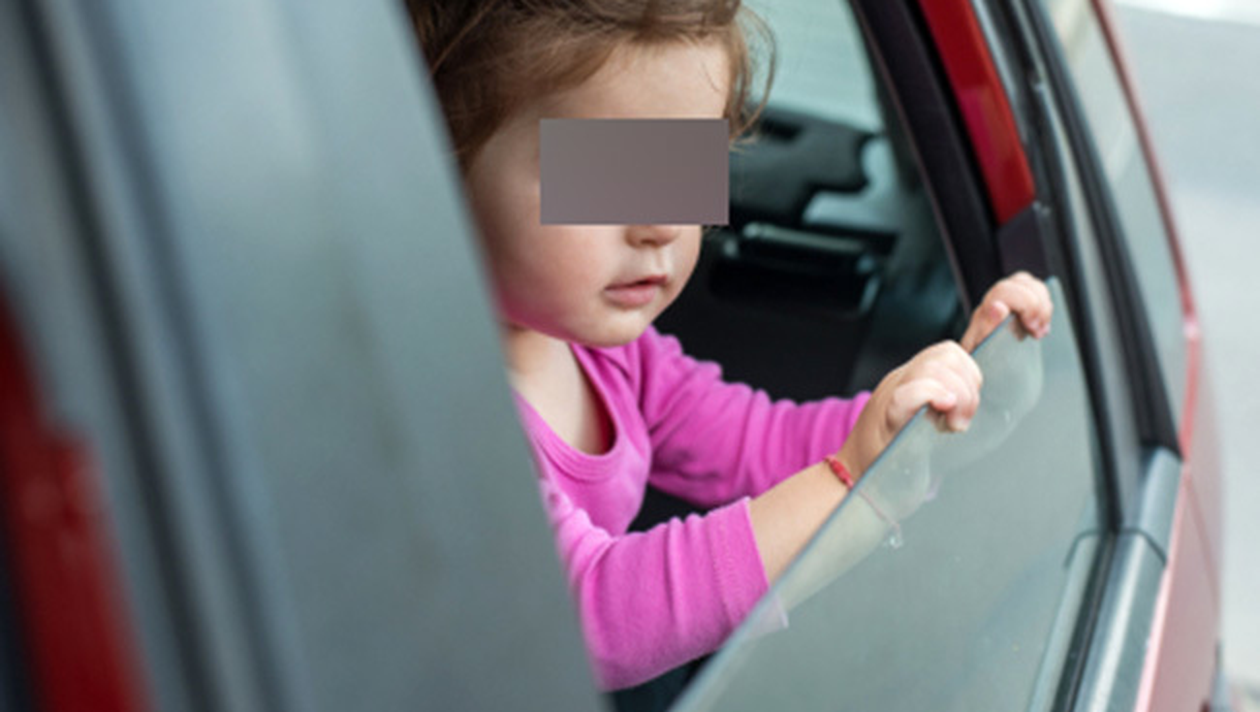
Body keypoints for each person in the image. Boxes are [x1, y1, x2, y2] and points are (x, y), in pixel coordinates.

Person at [406, 0, 1054, 692]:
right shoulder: (444, 419)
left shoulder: (615, 357)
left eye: (683, 168)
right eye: (600, 173)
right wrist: (851, 481)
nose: (660, 223)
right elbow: (591, 613)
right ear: (436, 166)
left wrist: (918, 430)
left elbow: (758, 444)